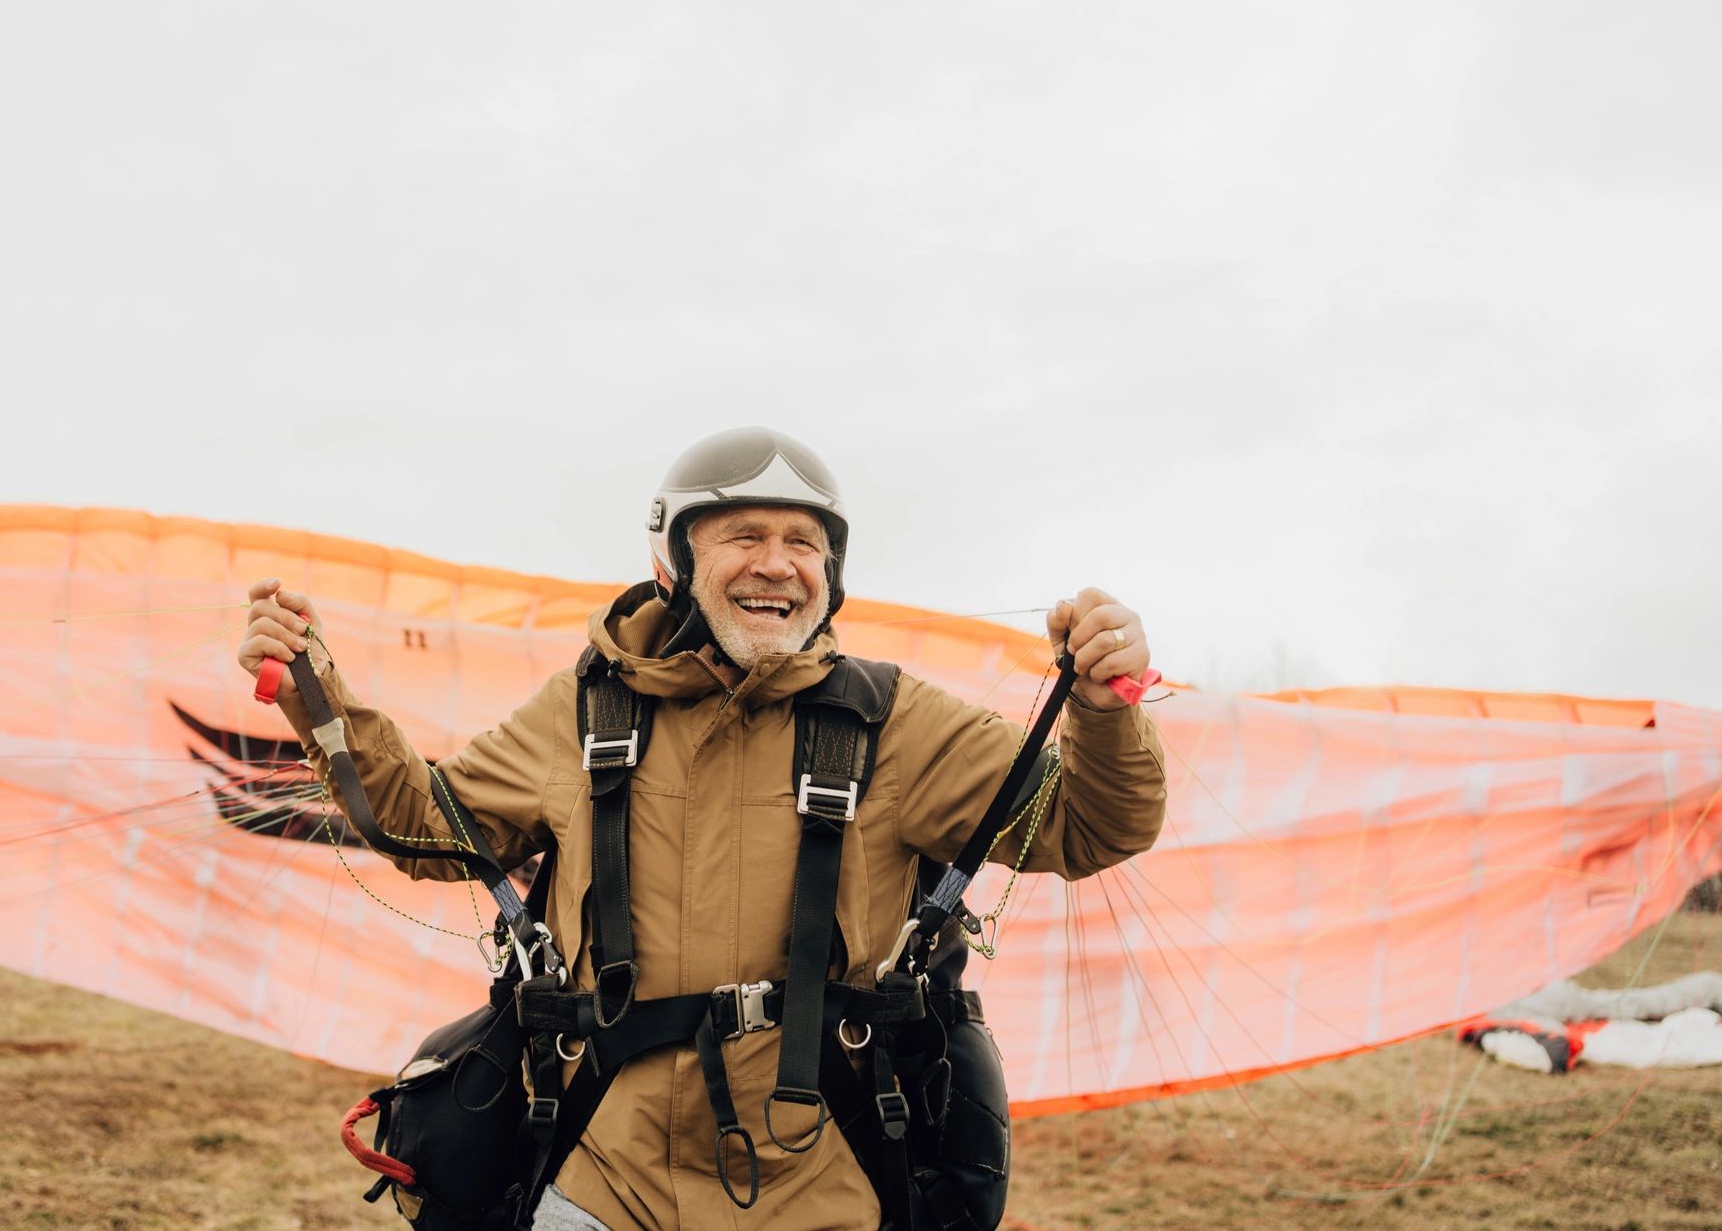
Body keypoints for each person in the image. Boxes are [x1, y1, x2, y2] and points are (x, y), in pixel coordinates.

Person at [238, 427, 1166, 1230]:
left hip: (829, 1190)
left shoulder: (900, 723)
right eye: (743, 536)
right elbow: (424, 825)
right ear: (673, 561)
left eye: (804, 542)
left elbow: (1090, 826)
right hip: (604, 1181)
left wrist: (1102, 709)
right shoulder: (581, 713)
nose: (776, 563)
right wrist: (314, 690)